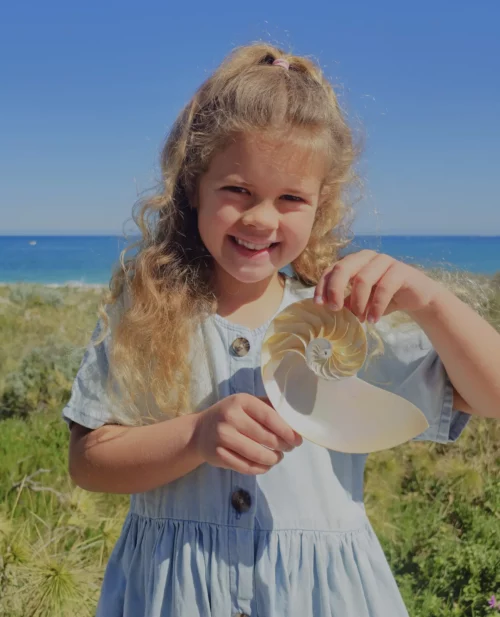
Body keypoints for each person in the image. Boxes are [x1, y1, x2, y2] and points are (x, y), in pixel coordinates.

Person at [63, 43, 500, 617]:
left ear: (320, 206)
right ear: (195, 186)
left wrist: (430, 300)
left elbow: (489, 394)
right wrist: (195, 437)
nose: (261, 218)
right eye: (237, 191)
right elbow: (88, 460)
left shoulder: (342, 320)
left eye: (291, 198)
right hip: (174, 593)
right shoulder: (147, 317)